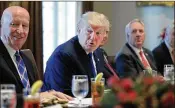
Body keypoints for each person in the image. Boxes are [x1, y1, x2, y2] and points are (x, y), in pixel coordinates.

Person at [0, 6, 72, 107]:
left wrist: (51, 95)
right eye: (14, 24)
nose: (20, 30)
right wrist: (37, 96)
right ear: (2, 25)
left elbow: (38, 92)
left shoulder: (27, 57)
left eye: (25, 26)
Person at [41, 11, 113, 96]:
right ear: (79, 30)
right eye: (89, 31)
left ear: (104, 36)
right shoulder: (63, 55)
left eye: (98, 33)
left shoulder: (98, 52)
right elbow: (64, 95)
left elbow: (109, 82)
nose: (93, 37)